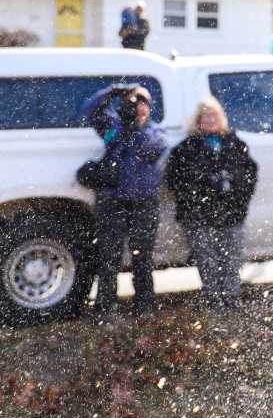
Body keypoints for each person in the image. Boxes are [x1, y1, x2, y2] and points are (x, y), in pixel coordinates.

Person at [80, 84, 168, 318]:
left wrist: (134, 127)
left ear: (150, 107)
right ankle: (105, 309)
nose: (138, 107)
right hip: (112, 201)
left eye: (143, 102)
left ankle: (144, 308)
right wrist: (113, 92)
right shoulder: (112, 126)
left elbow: (151, 150)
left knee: (143, 257)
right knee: (109, 257)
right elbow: (89, 108)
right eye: (133, 102)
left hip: (144, 203)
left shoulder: (157, 132)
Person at [165, 97, 258, 310]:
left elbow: (249, 176)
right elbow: (174, 181)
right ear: (198, 120)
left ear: (221, 117)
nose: (210, 119)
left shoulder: (235, 144)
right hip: (198, 217)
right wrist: (198, 197)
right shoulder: (186, 148)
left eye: (214, 115)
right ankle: (214, 303)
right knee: (208, 262)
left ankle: (232, 301)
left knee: (232, 260)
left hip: (231, 214)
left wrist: (238, 200)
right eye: (205, 116)